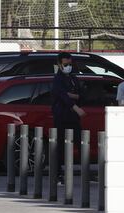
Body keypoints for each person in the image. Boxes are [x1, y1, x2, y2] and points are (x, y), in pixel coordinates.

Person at [51, 52, 86, 184]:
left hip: (73, 117)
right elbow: (62, 95)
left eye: (70, 64)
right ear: (59, 64)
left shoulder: (73, 78)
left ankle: (86, 173)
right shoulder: (57, 79)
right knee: (59, 146)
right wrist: (75, 105)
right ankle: (58, 175)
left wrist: (73, 96)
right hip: (61, 116)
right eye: (66, 64)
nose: (68, 67)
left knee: (81, 143)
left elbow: (81, 94)